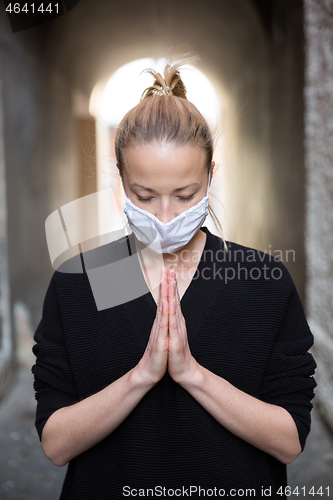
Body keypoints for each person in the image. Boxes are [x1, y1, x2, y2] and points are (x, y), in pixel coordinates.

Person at [32, 57, 316, 500]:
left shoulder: (261, 282)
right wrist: (142, 375)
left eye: (185, 195)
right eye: (144, 196)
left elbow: (289, 440)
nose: (165, 218)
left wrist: (193, 375)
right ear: (121, 182)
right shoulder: (84, 282)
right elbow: (56, 443)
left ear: (210, 177)